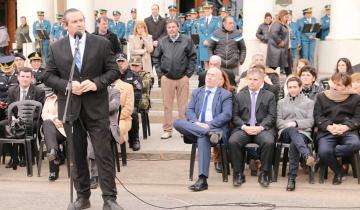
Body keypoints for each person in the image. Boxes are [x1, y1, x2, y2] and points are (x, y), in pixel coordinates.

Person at [43, 8, 122, 210]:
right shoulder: (56, 47)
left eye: (81, 20)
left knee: (103, 154)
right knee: (77, 156)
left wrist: (96, 83)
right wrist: (67, 85)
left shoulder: (101, 44)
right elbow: (48, 75)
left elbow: (114, 71)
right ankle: (82, 197)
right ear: (65, 25)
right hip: (70, 107)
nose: (79, 24)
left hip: (96, 107)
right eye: (74, 21)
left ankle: (110, 199)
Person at [173, 67, 232, 191]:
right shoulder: (197, 92)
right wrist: (196, 123)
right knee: (177, 122)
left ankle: (202, 179)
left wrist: (209, 125)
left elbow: (226, 115)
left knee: (202, 137)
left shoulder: (225, 95)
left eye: (213, 76)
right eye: (208, 75)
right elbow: (189, 110)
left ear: (219, 80)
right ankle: (207, 133)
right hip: (201, 128)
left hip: (216, 129)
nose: (209, 77)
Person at [229, 66, 276, 188]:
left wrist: (260, 128)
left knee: (269, 142)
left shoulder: (269, 96)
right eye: (249, 79)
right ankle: (238, 173)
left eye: (255, 79)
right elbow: (234, 116)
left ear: (261, 81)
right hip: (244, 128)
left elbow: (271, 116)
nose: (251, 81)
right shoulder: (239, 95)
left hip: (261, 129)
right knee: (233, 141)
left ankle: (265, 174)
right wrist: (244, 127)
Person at [153, 19, 196, 139]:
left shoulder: (186, 40)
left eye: (173, 27)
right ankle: (167, 129)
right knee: (167, 105)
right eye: (169, 27)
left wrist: (188, 74)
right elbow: (156, 58)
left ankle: (184, 130)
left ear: (178, 27)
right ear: (167, 29)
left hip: (182, 78)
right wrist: (161, 75)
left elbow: (192, 57)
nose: (171, 29)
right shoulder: (162, 41)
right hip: (167, 78)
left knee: (183, 106)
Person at [314, 72, 360, 185]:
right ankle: (338, 172)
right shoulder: (322, 96)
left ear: (346, 86)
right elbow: (318, 116)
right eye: (333, 83)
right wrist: (329, 127)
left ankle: (322, 157)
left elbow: (357, 118)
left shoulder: (355, 98)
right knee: (324, 150)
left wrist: (345, 127)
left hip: (347, 130)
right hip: (327, 131)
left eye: (339, 85)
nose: (335, 86)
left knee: (355, 144)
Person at [277, 76, 315, 191]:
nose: (292, 89)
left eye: (294, 87)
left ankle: (291, 178)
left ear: (300, 87)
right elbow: (278, 121)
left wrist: (296, 123)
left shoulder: (309, 102)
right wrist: (290, 125)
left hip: (303, 133)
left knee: (295, 143)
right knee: (292, 131)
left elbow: (311, 121)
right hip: (285, 133)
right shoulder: (281, 102)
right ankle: (306, 154)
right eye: (290, 87)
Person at [3, 67, 45, 169]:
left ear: (32, 78)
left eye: (27, 77)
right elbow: (8, 108)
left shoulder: (39, 91)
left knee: (24, 127)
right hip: (14, 119)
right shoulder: (12, 90)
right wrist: (12, 118)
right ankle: (12, 156)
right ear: (18, 77)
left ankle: (24, 157)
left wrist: (24, 119)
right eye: (22, 76)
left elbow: (39, 111)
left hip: (32, 121)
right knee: (3, 125)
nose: (25, 79)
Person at [87, 85, 120, 189]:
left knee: (96, 138)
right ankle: (96, 175)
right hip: (94, 126)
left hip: (110, 126)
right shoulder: (92, 93)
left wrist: (97, 108)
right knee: (93, 137)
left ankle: (95, 176)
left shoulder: (114, 92)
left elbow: (114, 106)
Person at [207, 16, 246, 86]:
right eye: (230, 23)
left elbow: (243, 48)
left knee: (232, 86)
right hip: (220, 66)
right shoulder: (216, 33)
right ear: (224, 24)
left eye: (233, 23)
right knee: (219, 85)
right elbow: (210, 48)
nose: (232, 25)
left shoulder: (237, 34)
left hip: (233, 66)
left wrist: (241, 60)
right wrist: (212, 60)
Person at [117, 53, 142, 151]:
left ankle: (134, 139)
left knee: (134, 113)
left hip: (130, 105)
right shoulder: (111, 75)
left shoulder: (134, 75)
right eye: (118, 61)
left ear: (127, 62)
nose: (120, 63)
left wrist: (127, 105)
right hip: (114, 105)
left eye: (122, 61)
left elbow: (137, 94)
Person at [41, 90, 66, 181]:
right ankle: (54, 151)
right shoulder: (49, 98)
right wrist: (54, 119)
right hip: (53, 129)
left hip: (66, 130)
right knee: (47, 123)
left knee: (49, 137)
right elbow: (44, 114)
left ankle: (53, 170)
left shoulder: (71, 97)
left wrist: (63, 121)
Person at [197, 1, 220, 70]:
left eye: (208, 8)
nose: (207, 10)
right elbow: (199, 31)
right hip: (203, 44)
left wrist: (209, 40)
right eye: (205, 9)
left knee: (213, 63)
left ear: (211, 10)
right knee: (205, 64)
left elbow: (216, 31)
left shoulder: (216, 20)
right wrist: (204, 40)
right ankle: (207, 79)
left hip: (212, 44)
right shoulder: (200, 20)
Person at [266, 10, 290, 74]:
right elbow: (273, 33)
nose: (287, 18)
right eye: (286, 17)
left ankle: (290, 80)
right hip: (275, 49)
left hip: (281, 49)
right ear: (281, 16)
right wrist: (280, 42)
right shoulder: (277, 24)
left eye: (288, 17)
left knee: (286, 66)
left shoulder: (283, 24)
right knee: (273, 69)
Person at [113, 78, 134, 144]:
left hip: (122, 118)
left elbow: (128, 109)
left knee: (119, 128)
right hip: (103, 118)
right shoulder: (101, 85)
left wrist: (114, 117)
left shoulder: (127, 87)